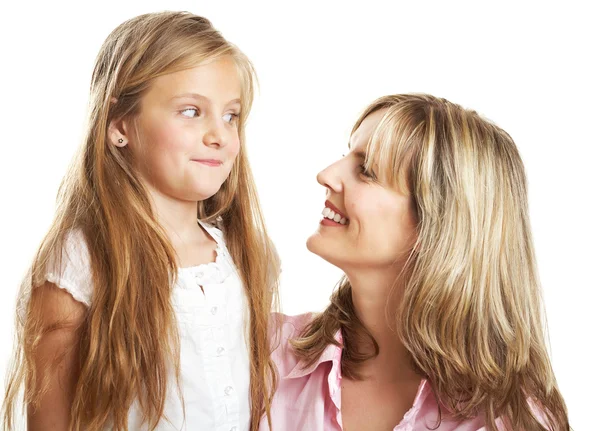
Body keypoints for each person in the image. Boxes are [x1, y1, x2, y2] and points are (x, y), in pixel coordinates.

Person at [3, 11, 278, 431]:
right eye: (191, 111)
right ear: (119, 125)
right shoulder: (80, 263)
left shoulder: (243, 255)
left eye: (230, 115)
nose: (219, 135)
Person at [264, 94, 569, 431]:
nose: (326, 175)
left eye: (366, 171)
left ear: (437, 226)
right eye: (345, 155)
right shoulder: (266, 352)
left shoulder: (510, 421)